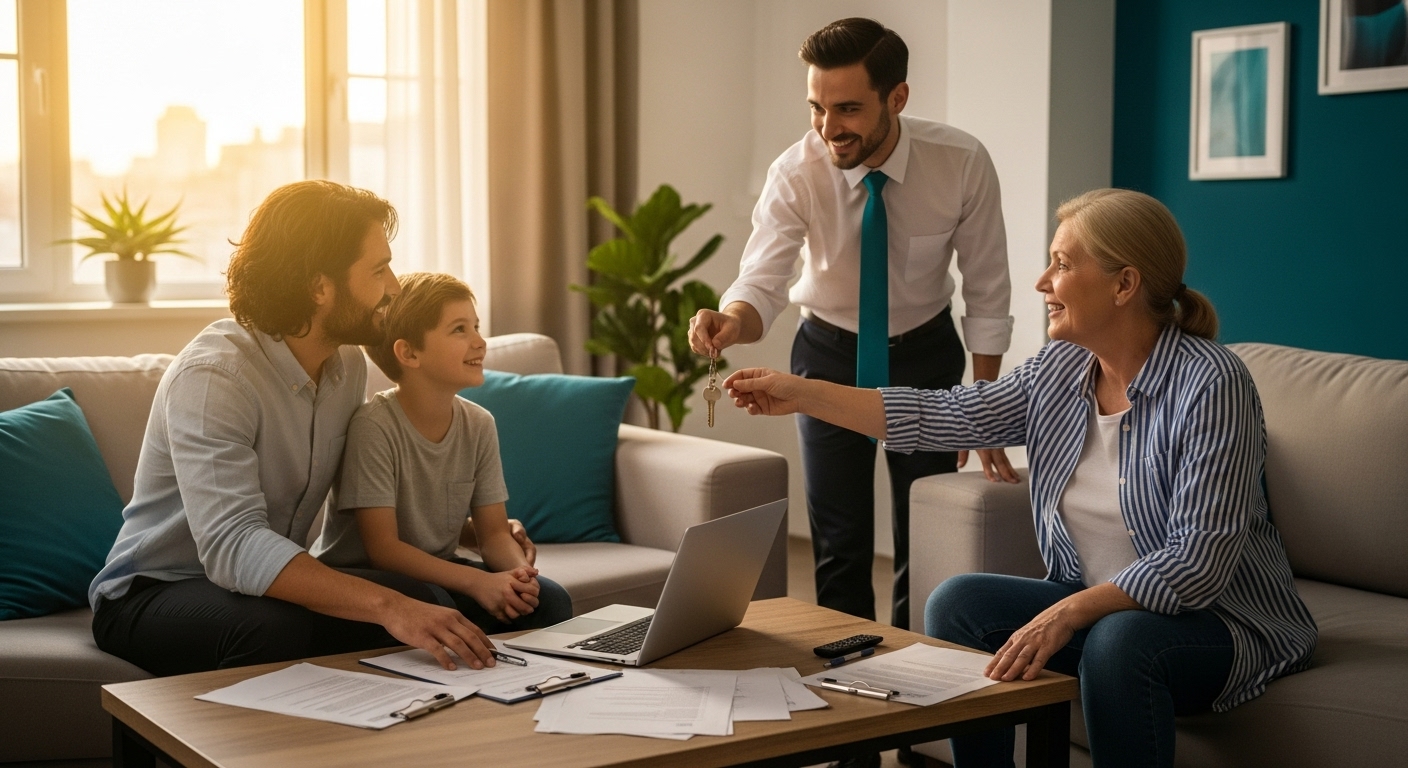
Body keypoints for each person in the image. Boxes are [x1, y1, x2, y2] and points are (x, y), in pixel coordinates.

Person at [722, 188, 1317, 767]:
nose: (1042, 283)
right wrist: (800, 394)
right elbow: (943, 414)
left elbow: (1198, 562)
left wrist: (1069, 612)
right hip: (1101, 610)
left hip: (1220, 623)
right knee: (960, 603)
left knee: (1117, 643)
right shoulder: (1062, 368)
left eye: (1061, 264)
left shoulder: (1213, 383)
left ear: (1125, 284)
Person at [89, 181, 526, 676]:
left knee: (437, 602)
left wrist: (479, 531)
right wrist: (389, 608)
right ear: (320, 287)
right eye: (378, 270)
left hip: (263, 585)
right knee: (277, 627)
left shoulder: (347, 367)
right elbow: (234, 544)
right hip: (156, 591)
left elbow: (371, 497)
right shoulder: (215, 378)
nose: (395, 288)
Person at [688, 17, 1018, 636]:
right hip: (827, 354)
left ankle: (921, 707)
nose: (827, 128)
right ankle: (853, 701)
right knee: (839, 546)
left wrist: (984, 408)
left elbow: (988, 292)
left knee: (928, 537)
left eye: (846, 109)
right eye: (816, 107)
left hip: (926, 356)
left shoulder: (961, 162)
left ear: (897, 98)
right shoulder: (796, 172)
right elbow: (762, 280)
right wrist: (729, 321)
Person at [312, 272, 573, 633]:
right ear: (409, 352)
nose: (480, 342)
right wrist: (476, 582)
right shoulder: (373, 426)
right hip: (366, 577)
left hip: (438, 571)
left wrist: (518, 577)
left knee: (549, 600)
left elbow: (494, 534)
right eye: (459, 330)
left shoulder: (479, 424)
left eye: (476, 326)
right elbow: (384, 550)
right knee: (436, 602)